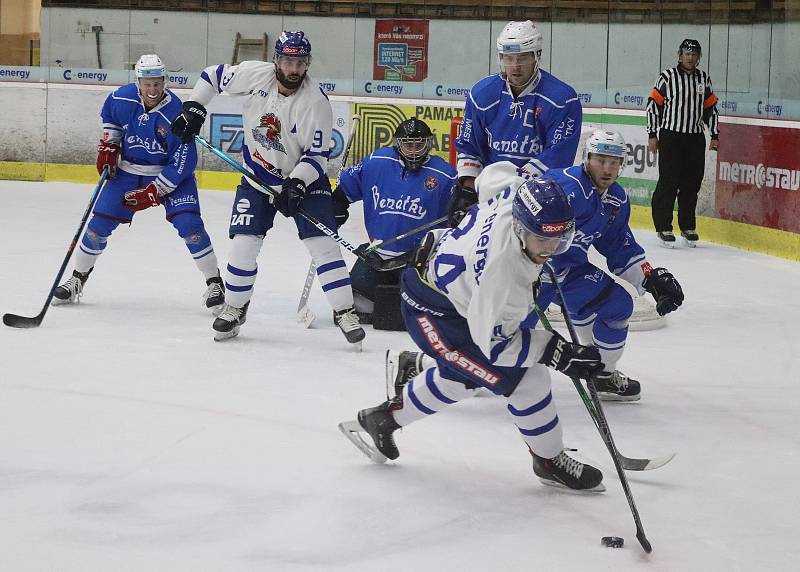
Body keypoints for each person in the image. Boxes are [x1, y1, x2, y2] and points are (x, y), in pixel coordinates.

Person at [340, 163, 608, 491]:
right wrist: (556, 351)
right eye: (541, 238)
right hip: (435, 315)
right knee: (527, 379)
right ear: (522, 229)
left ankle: (382, 419)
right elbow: (496, 346)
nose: (550, 248)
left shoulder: (516, 195)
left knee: (464, 378)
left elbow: (493, 174)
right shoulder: (502, 277)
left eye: (557, 236)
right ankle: (549, 460)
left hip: (440, 284)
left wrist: (468, 197)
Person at [391, 131, 685, 402]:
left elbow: (618, 244)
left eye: (614, 162)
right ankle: (419, 364)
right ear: (587, 158)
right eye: (601, 160)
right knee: (502, 348)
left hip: (570, 274)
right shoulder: (562, 186)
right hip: (527, 274)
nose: (607, 169)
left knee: (618, 304)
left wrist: (648, 279)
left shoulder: (617, 199)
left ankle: (603, 375)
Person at [171, 31, 365, 345]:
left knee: (323, 245)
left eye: (299, 62)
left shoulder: (315, 102)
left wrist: (297, 184)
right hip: (257, 177)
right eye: (287, 60)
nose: (293, 69)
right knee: (244, 244)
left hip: (304, 181)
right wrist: (194, 107)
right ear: (276, 59)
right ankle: (235, 307)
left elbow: (316, 157)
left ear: (307, 64)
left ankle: (344, 311)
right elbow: (213, 75)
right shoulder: (253, 74)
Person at [52, 54, 224, 313]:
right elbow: (112, 121)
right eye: (147, 84)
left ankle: (215, 283)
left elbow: (184, 160)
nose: (152, 89)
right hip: (128, 172)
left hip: (169, 175)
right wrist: (110, 145)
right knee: (97, 228)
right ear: (138, 82)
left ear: (164, 81)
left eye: (157, 83)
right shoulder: (121, 97)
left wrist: (155, 191)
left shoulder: (177, 112)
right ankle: (78, 278)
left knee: (191, 226)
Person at [449, 20, 582, 226]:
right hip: (491, 194)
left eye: (522, 58)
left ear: (536, 56)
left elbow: (558, 155)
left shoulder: (561, 99)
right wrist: (468, 189)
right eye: (509, 58)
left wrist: (515, 184)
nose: (515, 66)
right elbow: (470, 145)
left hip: (540, 195)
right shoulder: (482, 94)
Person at [332, 117, 455, 326]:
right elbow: (346, 190)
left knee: (424, 308)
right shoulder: (376, 162)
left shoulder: (445, 175)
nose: (414, 151)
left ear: (429, 144)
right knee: (350, 304)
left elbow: (459, 220)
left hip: (419, 260)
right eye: (408, 144)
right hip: (377, 255)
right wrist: (336, 205)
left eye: (419, 144)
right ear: (397, 144)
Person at [646, 38, 720, 248]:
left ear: (699, 57)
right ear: (679, 55)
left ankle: (687, 226)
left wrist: (714, 135)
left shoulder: (703, 79)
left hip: (695, 138)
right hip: (671, 136)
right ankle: (663, 226)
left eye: (694, 54)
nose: (690, 57)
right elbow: (653, 106)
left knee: (692, 183)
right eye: (686, 53)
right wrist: (653, 134)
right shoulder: (667, 77)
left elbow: (711, 110)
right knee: (669, 181)